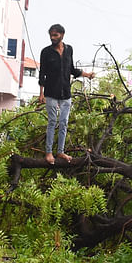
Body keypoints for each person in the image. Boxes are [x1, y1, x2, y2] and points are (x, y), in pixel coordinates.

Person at [37, 23, 94, 164]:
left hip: (65, 93)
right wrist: (41, 94)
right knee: (52, 122)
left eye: (55, 35)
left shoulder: (69, 50)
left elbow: (72, 69)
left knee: (64, 122)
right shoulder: (46, 52)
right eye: (51, 35)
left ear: (62, 35)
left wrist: (86, 74)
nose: (52, 38)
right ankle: (49, 153)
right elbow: (42, 73)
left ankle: (61, 152)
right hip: (50, 92)